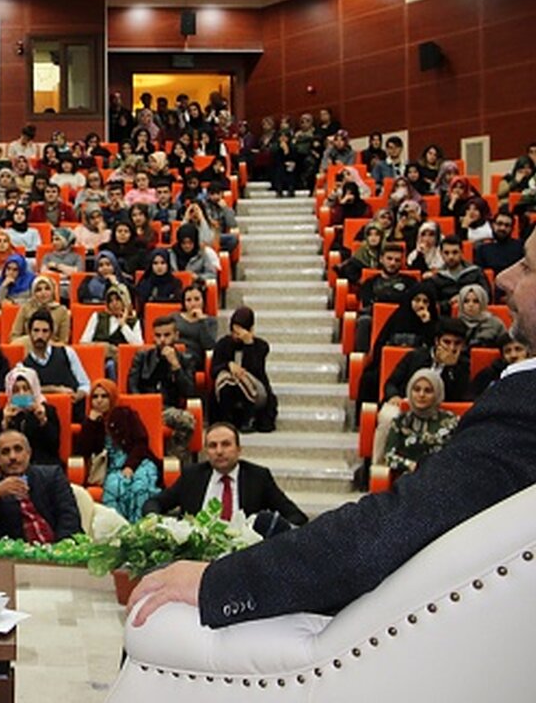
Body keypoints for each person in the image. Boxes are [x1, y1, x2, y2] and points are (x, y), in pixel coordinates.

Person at [128, 227, 536, 629]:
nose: (504, 277)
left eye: (528, 266)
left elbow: (395, 529)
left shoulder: (523, 407)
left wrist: (222, 582)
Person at [142, 423, 307, 529]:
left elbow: (296, 516)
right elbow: (154, 503)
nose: (219, 451)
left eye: (226, 444)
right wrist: (159, 524)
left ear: (239, 450)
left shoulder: (258, 477)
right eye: (213, 446)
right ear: (206, 452)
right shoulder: (192, 476)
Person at [371, 318, 471, 465]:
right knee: (388, 417)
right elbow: (391, 383)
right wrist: (394, 396)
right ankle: (378, 467)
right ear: (437, 341)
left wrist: (451, 369)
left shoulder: (463, 366)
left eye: (457, 343)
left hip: (438, 412)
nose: (451, 348)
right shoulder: (415, 356)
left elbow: (458, 398)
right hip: (405, 405)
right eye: (447, 342)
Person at [0, 430, 82, 542]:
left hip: (59, 546)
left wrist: (60, 548)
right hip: (21, 552)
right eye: (5, 452)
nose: (12, 457)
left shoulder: (52, 475)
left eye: (18, 449)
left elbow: (69, 516)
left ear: (28, 453)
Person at [75, 379, 159, 522]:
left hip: (138, 463)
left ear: (112, 397)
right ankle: (120, 529)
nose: (99, 400)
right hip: (112, 469)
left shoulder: (127, 414)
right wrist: (91, 423)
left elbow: (141, 443)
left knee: (139, 486)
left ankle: (141, 528)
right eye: (95, 397)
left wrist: (130, 466)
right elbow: (83, 450)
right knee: (115, 486)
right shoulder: (91, 421)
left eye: (104, 396)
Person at [128, 314, 197, 459]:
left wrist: (176, 366)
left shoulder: (186, 359)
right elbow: (131, 386)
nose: (162, 340)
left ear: (176, 335)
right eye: (158, 336)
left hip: (168, 409)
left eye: (167, 335)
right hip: (143, 407)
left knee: (187, 420)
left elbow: (189, 392)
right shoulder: (142, 357)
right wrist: (143, 405)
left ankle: (173, 459)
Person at [381, 368, 459, 481]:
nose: (421, 395)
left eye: (428, 391)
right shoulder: (400, 421)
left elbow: (457, 455)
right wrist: (410, 465)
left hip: (441, 477)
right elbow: (389, 456)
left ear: (437, 394)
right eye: (417, 389)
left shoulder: (451, 421)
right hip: (409, 479)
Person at [210, 307, 278, 433]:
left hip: (254, 390)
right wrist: (228, 365)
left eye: (239, 333)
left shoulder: (261, 346)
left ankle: (249, 419)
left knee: (242, 377)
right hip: (228, 389)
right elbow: (213, 371)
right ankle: (227, 420)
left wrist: (248, 345)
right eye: (234, 332)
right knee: (227, 378)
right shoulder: (223, 344)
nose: (236, 336)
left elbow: (256, 371)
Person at [22, 309, 91, 413]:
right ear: (29, 333)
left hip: (72, 411)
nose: (40, 336)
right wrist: (54, 389)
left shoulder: (67, 353)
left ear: (51, 333)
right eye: (36, 330)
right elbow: (18, 400)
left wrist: (78, 395)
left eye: (45, 331)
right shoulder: (23, 367)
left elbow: (85, 385)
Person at [0, 365, 62, 467]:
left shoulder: (48, 411)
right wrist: (5, 423)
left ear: (34, 390)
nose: (22, 394)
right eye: (16, 390)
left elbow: (54, 446)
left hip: (43, 465)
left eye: (26, 389)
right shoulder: (3, 414)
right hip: (12, 466)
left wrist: (43, 421)